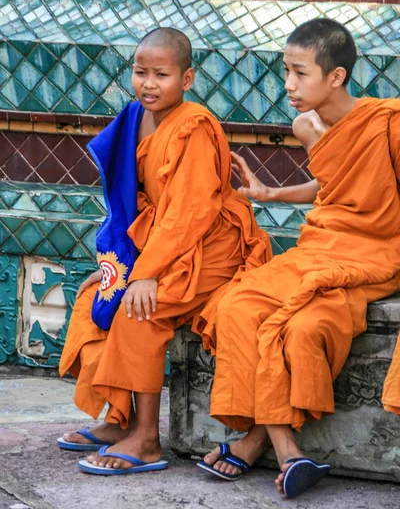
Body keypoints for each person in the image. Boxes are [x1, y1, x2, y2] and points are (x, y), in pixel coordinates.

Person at [197, 18, 400, 498]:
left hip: (374, 249)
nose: (288, 84)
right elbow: (333, 186)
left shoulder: (387, 124)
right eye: (285, 70)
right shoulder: (306, 125)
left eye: (300, 73)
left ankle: (252, 443)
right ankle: (287, 451)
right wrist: (271, 191)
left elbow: (373, 189)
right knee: (237, 307)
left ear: (336, 77)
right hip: (319, 245)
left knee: (301, 327)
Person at [58, 27, 271, 475]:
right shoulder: (135, 117)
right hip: (159, 241)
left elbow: (190, 213)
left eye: (162, 74)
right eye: (140, 72)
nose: (149, 84)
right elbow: (128, 202)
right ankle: (122, 420)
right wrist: (120, 268)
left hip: (212, 244)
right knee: (95, 297)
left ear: (187, 79)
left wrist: (145, 274)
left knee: (140, 310)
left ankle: (148, 440)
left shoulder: (194, 127)